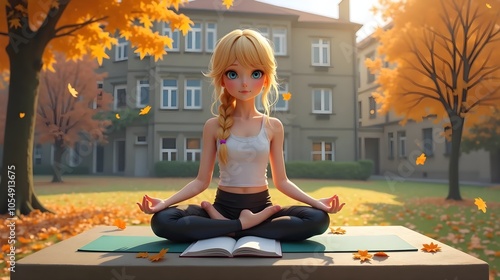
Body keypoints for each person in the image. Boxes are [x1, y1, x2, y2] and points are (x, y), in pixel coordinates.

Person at [137, 29, 345, 243]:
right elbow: (201, 181)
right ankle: (243, 226)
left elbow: (282, 181)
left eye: (255, 73)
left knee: (317, 218)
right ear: (222, 78)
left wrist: (317, 203)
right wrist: (164, 203)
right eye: (233, 74)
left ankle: (227, 229)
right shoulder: (213, 126)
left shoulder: (273, 126)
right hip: (222, 208)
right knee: (163, 220)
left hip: (262, 210)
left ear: (265, 78)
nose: (244, 83)